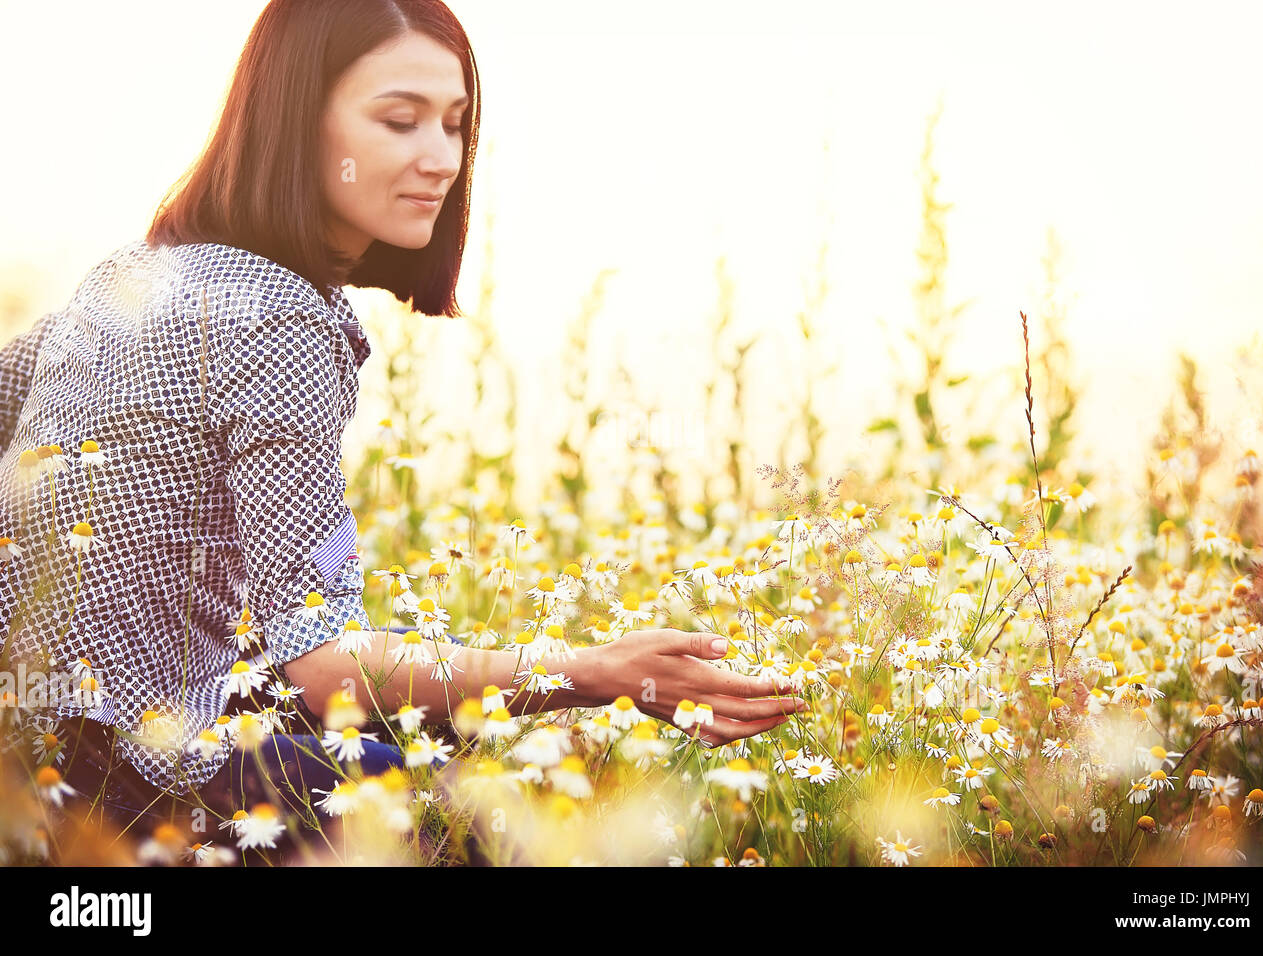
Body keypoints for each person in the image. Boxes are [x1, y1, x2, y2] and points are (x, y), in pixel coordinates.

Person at [0, 0, 804, 861]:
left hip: (35, 755)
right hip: (120, 785)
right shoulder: (277, 319)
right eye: (399, 120)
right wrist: (595, 672)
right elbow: (322, 664)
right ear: (294, 119)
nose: (441, 160)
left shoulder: (129, 274)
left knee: (433, 754)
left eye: (456, 125)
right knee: (474, 821)